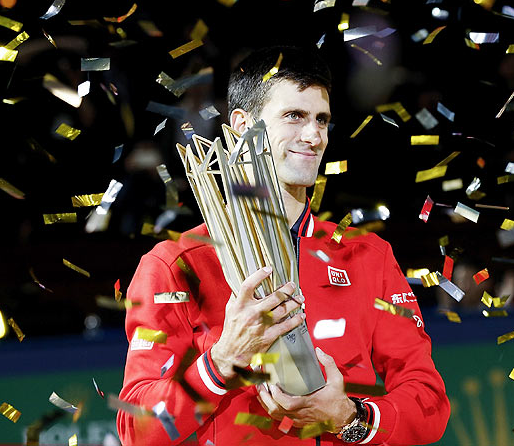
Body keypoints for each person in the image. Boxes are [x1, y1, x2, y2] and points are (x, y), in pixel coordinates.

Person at [117, 46, 450, 445]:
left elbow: (429, 403)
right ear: (241, 126)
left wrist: (349, 415)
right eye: (295, 116)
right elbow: (136, 430)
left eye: (321, 120)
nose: (313, 136)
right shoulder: (176, 264)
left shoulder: (367, 255)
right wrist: (222, 361)